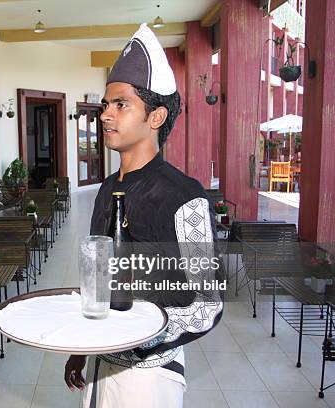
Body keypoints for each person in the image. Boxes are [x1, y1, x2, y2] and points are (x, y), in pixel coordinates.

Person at [64, 24, 224, 408]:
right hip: (102, 366)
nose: (105, 115)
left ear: (156, 117)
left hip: (149, 377)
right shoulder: (105, 189)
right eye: (106, 104)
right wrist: (83, 346)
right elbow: (100, 277)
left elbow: (208, 304)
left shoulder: (184, 197)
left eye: (121, 104)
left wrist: (139, 335)